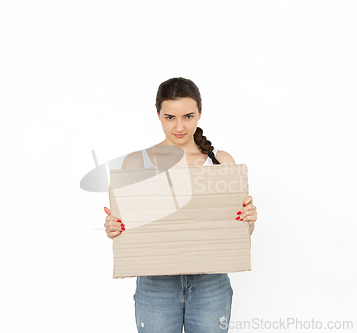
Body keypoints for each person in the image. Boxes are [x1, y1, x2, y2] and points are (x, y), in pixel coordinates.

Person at [103, 77, 258, 332]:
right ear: (158, 115)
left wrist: (248, 220)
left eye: (187, 116)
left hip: (211, 283)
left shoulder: (221, 162)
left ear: (199, 113)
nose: (179, 126)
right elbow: (127, 231)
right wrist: (115, 228)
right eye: (169, 117)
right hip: (156, 283)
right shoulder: (137, 163)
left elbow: (237, 231)